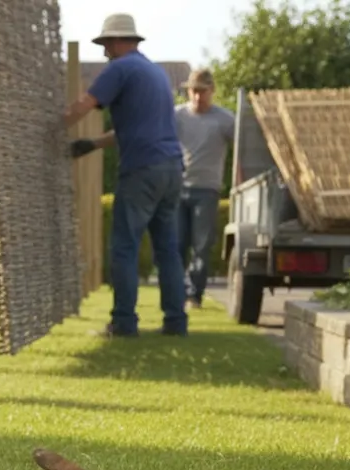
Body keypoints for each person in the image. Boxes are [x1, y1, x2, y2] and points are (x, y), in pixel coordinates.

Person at [64, 14, 187, 337]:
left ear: (117, 41)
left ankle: (123, 323)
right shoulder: (155, 73)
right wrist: (91, 144)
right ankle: (176, 323)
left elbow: (84, 105)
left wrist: (49, 129)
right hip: (171, 169)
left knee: (124, 247)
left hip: (142, 170)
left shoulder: (119, 69)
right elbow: (132, 129)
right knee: (167, 251)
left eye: (105, 44)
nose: (105, 52)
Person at [173, 68, 235, 309]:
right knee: (177, 244)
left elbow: (242, 147)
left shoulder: (225, 119)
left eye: (203, 92)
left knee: (201, 245)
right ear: (188, 91)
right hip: (179, 188)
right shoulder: (177, 116)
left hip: (207, 189)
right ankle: (176, 292)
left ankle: (193, 296)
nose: (198, 97)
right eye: (194, 91)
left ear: (212, 91)